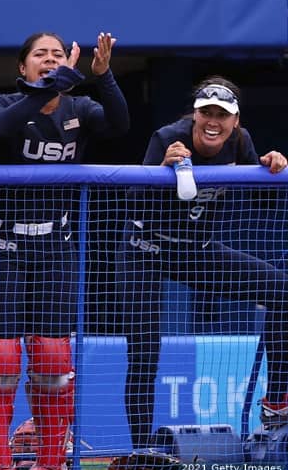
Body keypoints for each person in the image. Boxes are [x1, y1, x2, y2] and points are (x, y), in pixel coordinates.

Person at [0, 31, 129, 470]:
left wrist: (103, 76)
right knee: (0, 359)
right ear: (23, 67)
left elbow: (120, 124)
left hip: (55, 247)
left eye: (57, 55)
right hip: (1, 247)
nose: (50, 59)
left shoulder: (81, 109)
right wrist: (50, 90)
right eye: (41, 55)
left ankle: (50, 467)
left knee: (55, 361)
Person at [120, 76, 288, 449]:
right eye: (206, 113)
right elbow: (130, 201)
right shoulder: (168, 138)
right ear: (194, 116)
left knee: (282, 290)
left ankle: (276, 403)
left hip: (197, 251)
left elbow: (262, 202)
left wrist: (272, 166)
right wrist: (162, 171)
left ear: (235, 121)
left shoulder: (240, 142)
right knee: (145, 352)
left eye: (222, 115)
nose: (214, 122)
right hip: (146, 249)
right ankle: (143, 451)